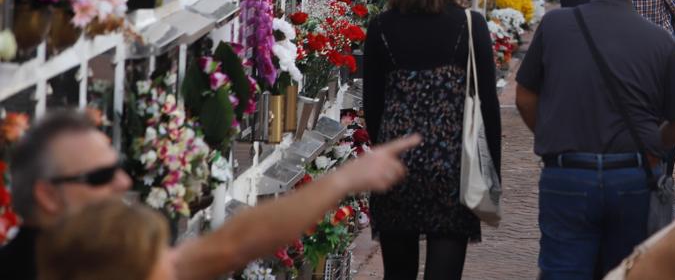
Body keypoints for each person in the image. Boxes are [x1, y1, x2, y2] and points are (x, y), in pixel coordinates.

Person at [5, 109, 421, 280]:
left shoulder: (113, 253)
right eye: (99, 177)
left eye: (118, 169)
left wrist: (342, 181)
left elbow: (231, 245)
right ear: (47, 196)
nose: (122, 185)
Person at [515, 0, 675, 279]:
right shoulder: (659, 40)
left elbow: (525, 96)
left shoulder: (555, 26)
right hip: (630, 175)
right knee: (626, 271)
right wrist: (655, 145)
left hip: (567, 170)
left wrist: (548, 132)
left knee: (563, 270)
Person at [363, 0, 502, 280]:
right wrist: (491, 174)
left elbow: (373, 105)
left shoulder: (381, 27)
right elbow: (487, 106)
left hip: (397, 160)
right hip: (451, 162)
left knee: (398, 271)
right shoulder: (471, 25)